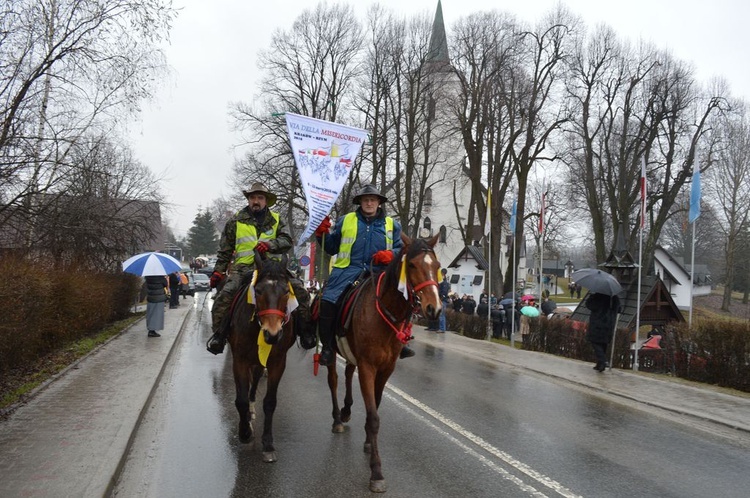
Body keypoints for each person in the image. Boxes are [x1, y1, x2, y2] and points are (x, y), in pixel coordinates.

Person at [206, 182, 316, 355]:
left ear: (266, 201)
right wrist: (218, 272)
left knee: (300, 291)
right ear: (248, 199)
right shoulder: (235, 221)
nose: (256, 201)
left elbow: (287, 241)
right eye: (252, 197)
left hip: (272, 268)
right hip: (243, 269)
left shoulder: (277, 220)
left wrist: (270, 244)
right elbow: (225, 251)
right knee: (224, 296)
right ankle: (219, 336)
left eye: (259, 197)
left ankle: (305, 332)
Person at [314, 184, 411, 366]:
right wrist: (322, 234)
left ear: (379, 203)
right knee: (327, 302)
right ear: (359, 202)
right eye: (365, 200)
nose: (369, 203)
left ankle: (400, 342)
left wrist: (391, 255)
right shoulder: (345, 220)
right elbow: (332, 247)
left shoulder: (392, 225)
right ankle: (327, 347)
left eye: (372, 200)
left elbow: (401, 248)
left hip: (379, 273)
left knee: (404, 299)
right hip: (347, 272)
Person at [585, 292, 621, 372]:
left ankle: (603, 361)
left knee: (595, 341)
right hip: (610, 324)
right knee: (603, 343)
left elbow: (589, 305)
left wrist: (591, 297)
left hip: (598, 323)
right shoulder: (614, 297)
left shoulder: (598, 296)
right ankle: (600, 365)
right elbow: (619, 309)